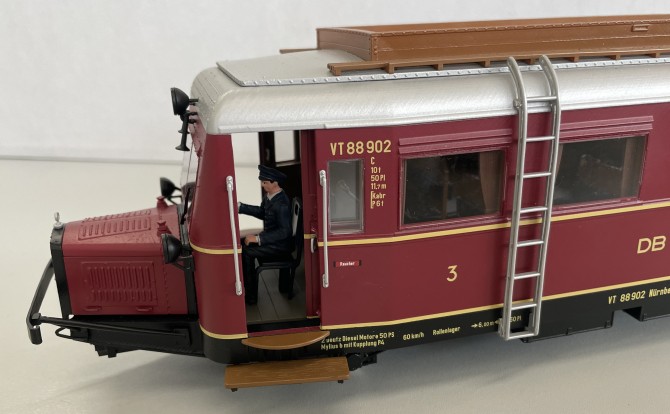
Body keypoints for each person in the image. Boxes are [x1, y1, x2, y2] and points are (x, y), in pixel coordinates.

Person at [238, 165, 292, 305]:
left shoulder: (281, 204)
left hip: (280, 245)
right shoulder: (270, 196)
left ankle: (250, 296)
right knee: (242, 242)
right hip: (272, 239)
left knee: (247, 252)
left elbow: (285, 232)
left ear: (275, 183)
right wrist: (241, 207)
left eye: (265, 182)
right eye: (262, 182)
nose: (262, 185)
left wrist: (258, 239)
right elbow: (262, 212)